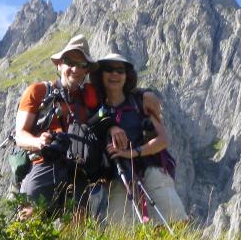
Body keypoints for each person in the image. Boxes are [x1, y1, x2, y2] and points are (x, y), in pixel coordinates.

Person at [90, 52, 188, 226]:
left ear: (127, 76)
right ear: (101, 74)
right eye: (109, 69)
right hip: (118, 177)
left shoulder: (140, 101)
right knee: (121, 234)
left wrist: (131, 153)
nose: (114, 74)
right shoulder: (97, 110)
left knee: (173, 223)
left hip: (151, 169)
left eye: (120, 70)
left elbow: (163, 140)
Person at [15, 34, 100, 217]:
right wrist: (39, 142)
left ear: (86, 71)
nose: (75, 69)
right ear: (59, 64)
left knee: (76, 232)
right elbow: (20, 135)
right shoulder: (38, 92)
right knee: (30, 224)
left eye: (82, 64)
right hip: (42, 164)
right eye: (70, 61)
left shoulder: (90, 101)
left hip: (78, 174)